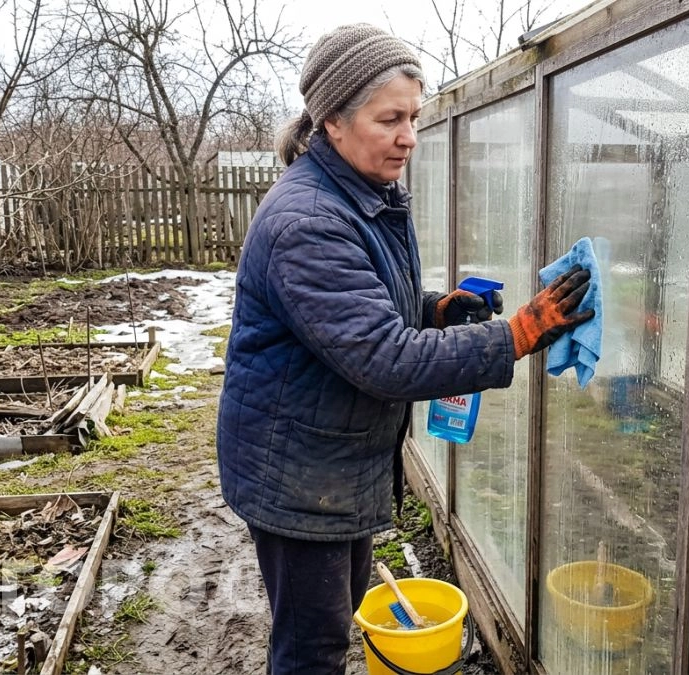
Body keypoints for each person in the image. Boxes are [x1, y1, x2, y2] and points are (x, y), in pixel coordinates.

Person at [216, 23, 593, 675]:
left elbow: (368, 306)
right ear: (333, 120)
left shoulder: (360, 194)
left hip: (330, 461)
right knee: (312, 649)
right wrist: (519, 333)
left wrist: (435, 309)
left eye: (414, 117)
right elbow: (384, 359)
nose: (409, 138)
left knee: (335, 621)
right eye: (390, 119)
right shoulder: (307, 222)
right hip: (298, 474)